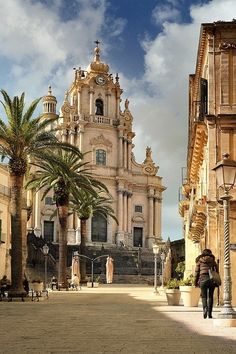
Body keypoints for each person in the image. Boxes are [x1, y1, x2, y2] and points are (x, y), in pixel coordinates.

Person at [194, 248, 218, 319]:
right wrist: (216, 279)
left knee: (204, 296)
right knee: (210, 296)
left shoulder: (199, 261)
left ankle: (204, 309)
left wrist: (195, 282)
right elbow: (217, 270)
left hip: (202, 279)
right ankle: (210, 314)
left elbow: (196, 273)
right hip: (211, 279)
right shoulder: (213, 260)